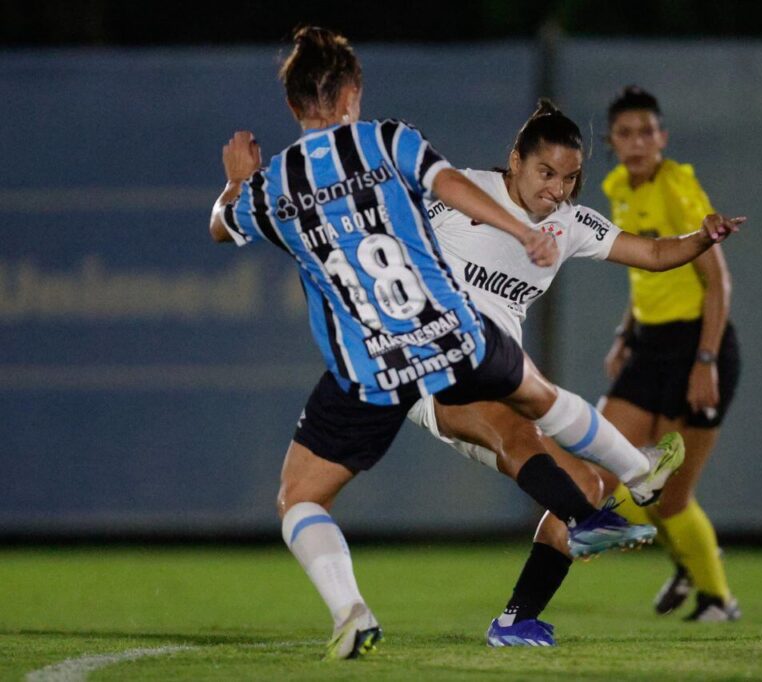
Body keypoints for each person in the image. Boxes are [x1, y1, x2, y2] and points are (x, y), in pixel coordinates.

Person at [209, 27, 681, 661]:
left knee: (300, 498)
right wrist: (520, 227)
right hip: (452, 333)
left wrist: (236, 183)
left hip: (370, 362)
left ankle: (353, 611)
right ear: (353, 91)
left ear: (293, 105)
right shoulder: (386, 139)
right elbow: (448, 184)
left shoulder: (276, 186)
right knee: (536, 401)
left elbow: (221, 226)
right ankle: (620, 488)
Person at [404, 99, 745, 645]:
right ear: (514, 161)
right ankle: (630, 478)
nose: (557, 189)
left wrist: (701, 239)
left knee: (582, 481)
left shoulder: (569, 222)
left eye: (569, 177)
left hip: (497, 374)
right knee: (529, 433)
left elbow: (654, 253)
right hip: (433, 369)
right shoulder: (461, 192)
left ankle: (518, 619)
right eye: (546, 172)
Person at [594, 86, 742, 622]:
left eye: (646, 131)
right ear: (611, 142)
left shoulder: (678, 185)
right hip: (649, 346)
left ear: (663, 138)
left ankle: (716, 599)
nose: (637, 142)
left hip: (696, 346)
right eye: (625, 133)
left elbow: (717, 281)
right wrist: (624, 334)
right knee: (603, 462)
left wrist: (705, 363)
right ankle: (686, 558)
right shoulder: (616, 187)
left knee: (672, 495)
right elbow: (646, 270)